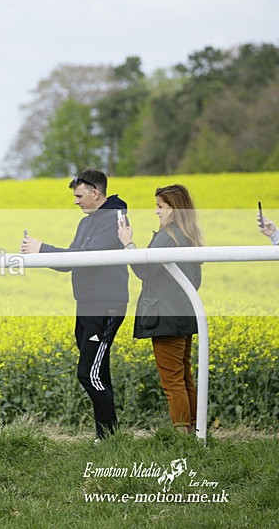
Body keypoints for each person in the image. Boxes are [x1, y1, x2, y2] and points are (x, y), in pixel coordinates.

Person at [21, 169, 128, 440]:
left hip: (106, 306)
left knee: (88, 374)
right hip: (88, 304)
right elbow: (70, 262)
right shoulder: (88, 221)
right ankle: (109, 438)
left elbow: (85, 257)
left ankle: (108, 439)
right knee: (98, 372)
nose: (76, 201)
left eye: (79, 196)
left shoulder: (114, 218)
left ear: (96, 192)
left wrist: (42, 248)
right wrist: (38, 254)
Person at [117, 184, 203, 434]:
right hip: (184, 312)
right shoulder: (189, 236)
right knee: (185, 377)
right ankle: (195, 432)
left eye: (160, 207)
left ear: (174, 209)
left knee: (172, 381)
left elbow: (143, 270)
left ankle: (182, 436)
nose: (157, 212)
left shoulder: (168, 236)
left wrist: (128, 243)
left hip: (166, 315)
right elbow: (195, 281)